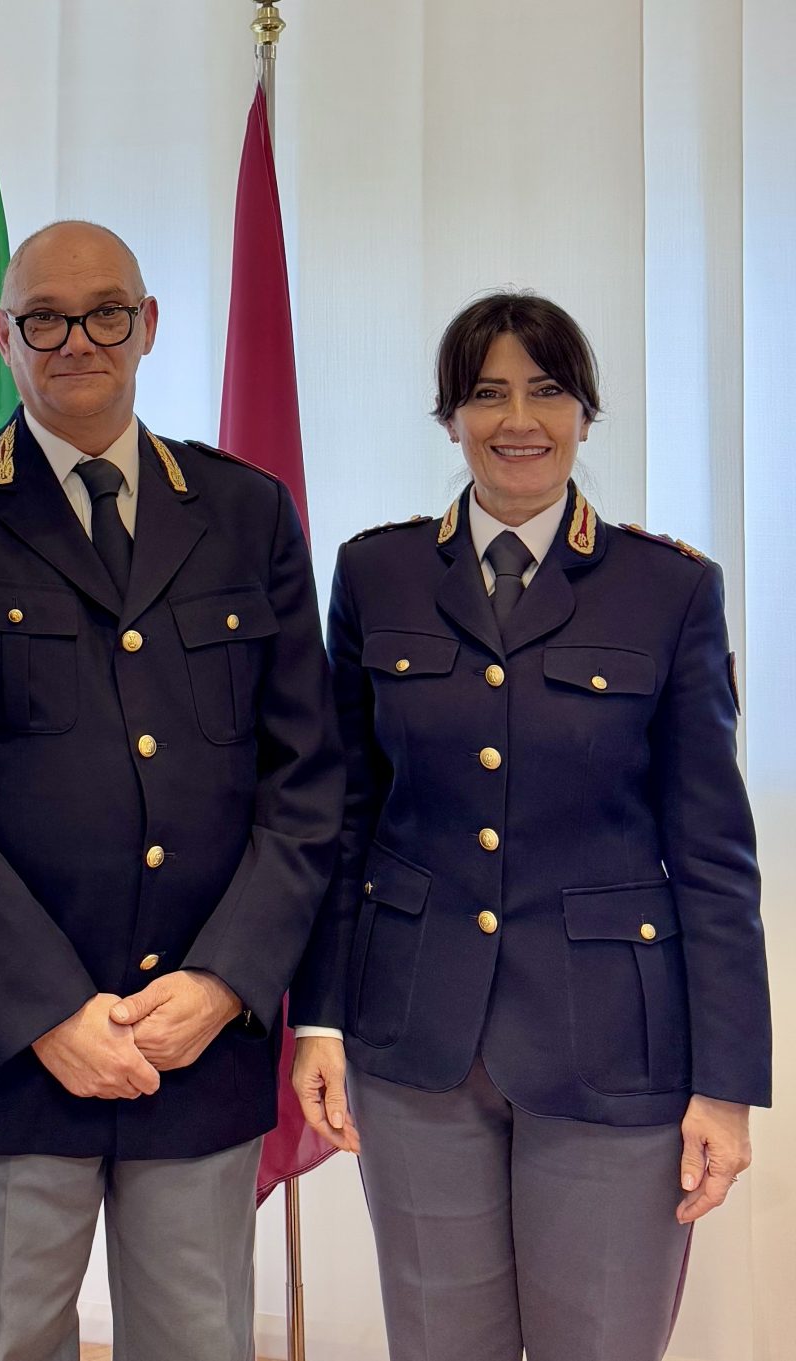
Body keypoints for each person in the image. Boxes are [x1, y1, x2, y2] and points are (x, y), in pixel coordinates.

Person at [0, 220, 342, 1361]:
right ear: (4, 335)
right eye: (46, 318)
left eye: (106, 313)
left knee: (199, 1343)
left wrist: (224, 981)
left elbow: (305, 778)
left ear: (149, 325)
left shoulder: (246, 510)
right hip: (4, 1043)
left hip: (197, 1036)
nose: (78, 339)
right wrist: (47, 1010)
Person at [290, 291, 770, 1360]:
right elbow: (344, 815)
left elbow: (713, 855)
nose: (518, 419)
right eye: (487, 393)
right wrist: (317, 1015)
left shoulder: (668, 588)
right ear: (450, 417)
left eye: (547, 391)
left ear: (585, 413)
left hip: (613, 1046)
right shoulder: (378, 574)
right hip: (415, 1035)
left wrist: (727, 1082)